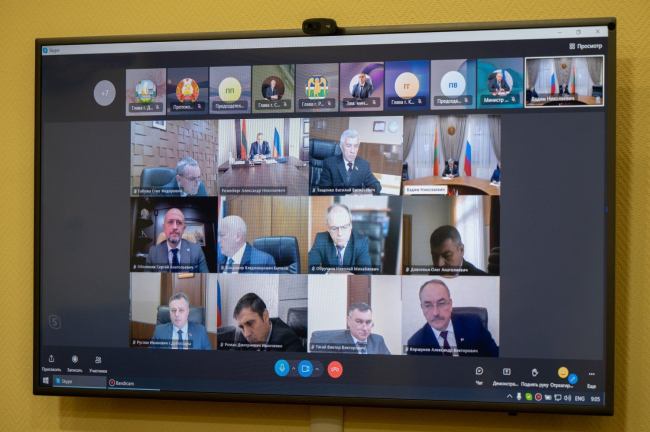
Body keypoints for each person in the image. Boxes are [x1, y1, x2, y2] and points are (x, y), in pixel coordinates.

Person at [407, 279, 498, 357]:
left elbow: (495, 356)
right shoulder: (415, 343)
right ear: (422, 308)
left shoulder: (474, 324)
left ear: (450, 304)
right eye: (428, 305)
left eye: (441, 303)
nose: (435, 313)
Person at [308, 204, 372, 275]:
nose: (340, 233)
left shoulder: (361, 243)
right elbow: (309, 268)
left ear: (351, 225)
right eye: (334, 228)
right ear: (328, 228)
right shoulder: (321, 239)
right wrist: (331, 272)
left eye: (344, 227)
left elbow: (366, 275)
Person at [232, 293, 304, 351]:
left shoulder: (287, 339)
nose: (246, 334)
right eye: (242, 327)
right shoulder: (243, 337)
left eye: (250, 323)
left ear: (265, 316)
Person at [319, 129, 382, 195]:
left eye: (356, 146)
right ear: (341, 147)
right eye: (348, 146)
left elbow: (377, 185)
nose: (352, 151)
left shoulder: (364, 165)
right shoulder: (330, 163)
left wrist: (368, 192)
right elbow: (323, 191)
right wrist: (347, 196)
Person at [145, 208, 208, 273]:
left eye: (179, 222)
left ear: (183, 229)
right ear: (164, 228)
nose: (174, 227)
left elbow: (205, 277)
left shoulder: (197, 251)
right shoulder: (153, 252)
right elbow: (147, 278)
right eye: (170, 222)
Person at [317, 302, 391, 355]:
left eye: (368, 322)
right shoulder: (335, 344)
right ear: (349, 321)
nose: (365, 329)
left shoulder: (378, 340)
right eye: (359, 322)